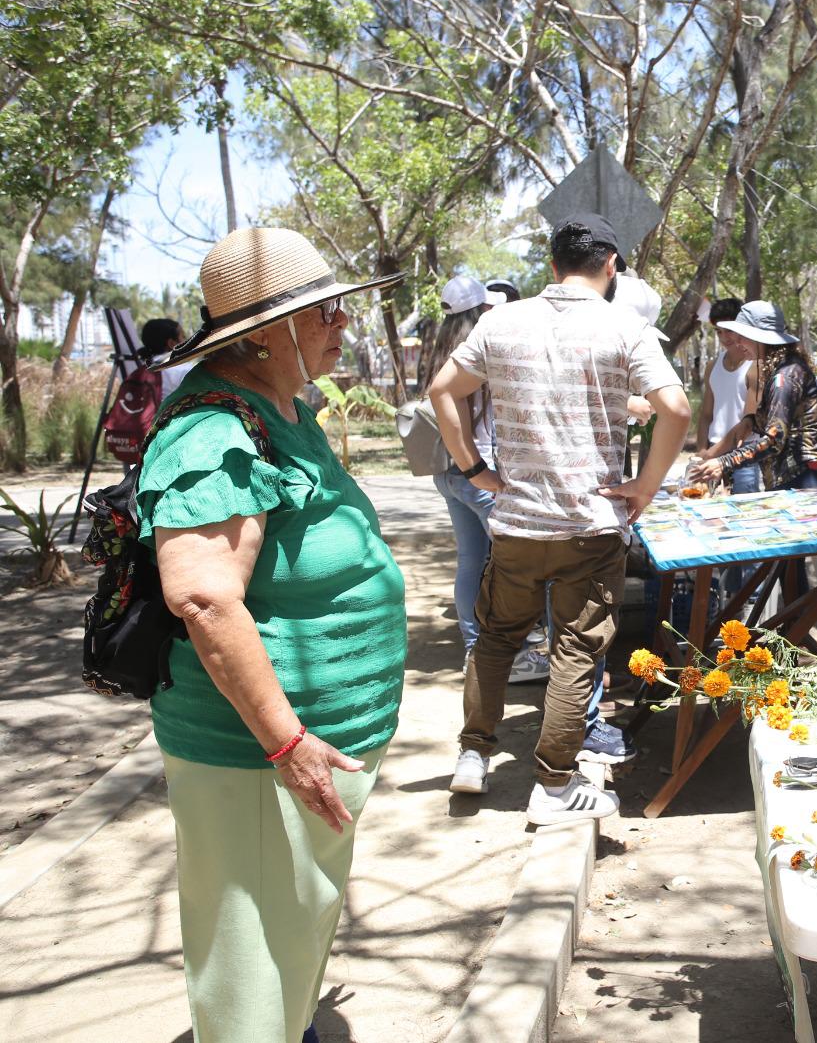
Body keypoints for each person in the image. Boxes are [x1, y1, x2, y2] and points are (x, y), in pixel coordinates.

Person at [142, 227, 407, 1043]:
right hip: (256, 761)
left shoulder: (284, 405)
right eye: (322, 311)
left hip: (305, 751)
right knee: (250, 957)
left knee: (291, 929)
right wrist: (289, 745)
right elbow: (205, 599)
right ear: (261, 332)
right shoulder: (209, 429)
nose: (341, 323)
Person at [428, 213, 690, 824]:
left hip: (516, 523)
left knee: (494, 640)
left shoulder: (500, 322)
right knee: (575, 651)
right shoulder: (623, 325)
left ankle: (473, 755)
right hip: (590, 526)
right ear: (611, 265)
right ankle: (553, 785)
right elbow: (674, 409)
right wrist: (644, 488)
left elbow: (443, 392)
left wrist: (474, 469)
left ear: (551, 267)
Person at [429, 276, 550, 688]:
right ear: (480, 310)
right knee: (519, 565)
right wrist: (479, 471)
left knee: (471, 562)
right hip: (475, 473)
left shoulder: (439, 348)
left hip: (448, 474)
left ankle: (474, 651)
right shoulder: (474, 351)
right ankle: (514, 655)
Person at [689, 299, 817, 491]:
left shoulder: (785, 376)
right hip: (794, 480)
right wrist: (751, 421)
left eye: (743, 335)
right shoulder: (785, 369)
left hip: (802, 481)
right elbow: (785, 420)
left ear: (759, 337)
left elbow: (774, 440)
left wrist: (724, 462)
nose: (738, 342)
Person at [695, 297, 758, 491]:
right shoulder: (712, 366)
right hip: (713, 450)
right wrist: (702, 452)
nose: (724, 337)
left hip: (744, 453)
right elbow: (706, 415)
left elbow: (748, 422)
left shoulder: (755, 366)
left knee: (744, 514)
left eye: (729, 330)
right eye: (719, 331)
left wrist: (712, 454)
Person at [140, 317, 194, 400]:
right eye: (183, 336)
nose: (186, 340)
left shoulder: (140, 369)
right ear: (171, 343)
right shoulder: (185, 370)